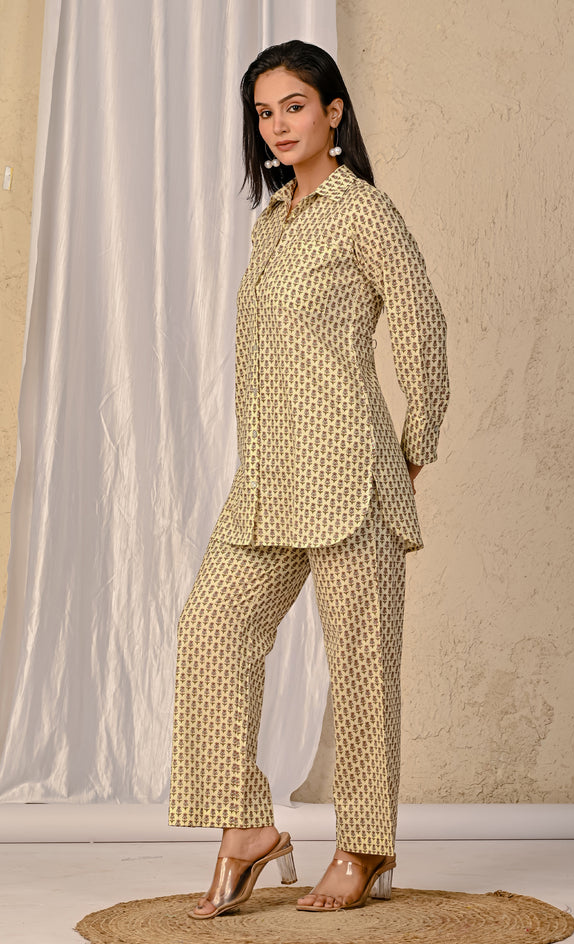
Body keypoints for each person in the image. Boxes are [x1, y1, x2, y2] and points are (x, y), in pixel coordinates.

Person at [168, 39, 449, 915]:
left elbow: (423, 325)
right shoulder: (272, 222)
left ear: (333, 112)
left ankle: (364, 846)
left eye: (294, 106)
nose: (278, 124)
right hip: (267, 482)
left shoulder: (364, 212)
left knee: (362, 670)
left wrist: (414, 445)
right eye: (264, 112)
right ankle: (247, 828)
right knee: (211, 633)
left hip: (352, 479)